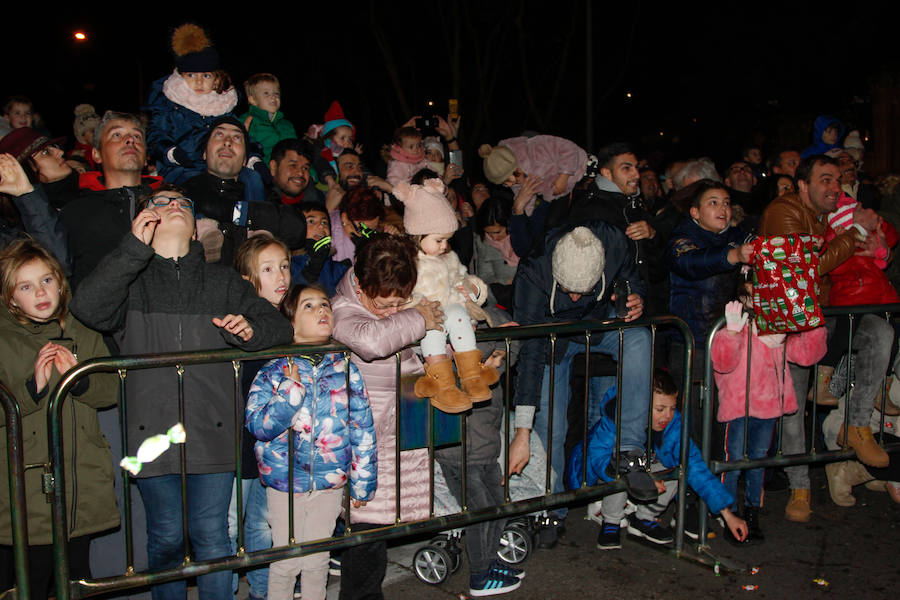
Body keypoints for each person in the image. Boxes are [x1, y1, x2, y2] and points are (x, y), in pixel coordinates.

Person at [70, 185, 293, 600]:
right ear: (143, 221)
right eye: (161, 202)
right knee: (166, 538)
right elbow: (89, 306)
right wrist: (132, 249)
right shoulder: (129, 281)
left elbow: (278, 327)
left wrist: (250, 332)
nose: (174, 206)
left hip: (213, 429)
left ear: (194, 228)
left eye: (183, 204)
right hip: (148, 432)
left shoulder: (223, 282)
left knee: (211, 537)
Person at [758, 154, 889, 521]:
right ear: (803, 185)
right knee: (794, 404)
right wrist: (858, 232)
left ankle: (857, 425)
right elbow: (809, 266)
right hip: (788, 320)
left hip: (822, 315)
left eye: (838, 180)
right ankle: (799, 485)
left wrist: (876, 244)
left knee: (880, 328)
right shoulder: (784, 210)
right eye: (825, 180)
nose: (835, 187)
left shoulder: (827, 214)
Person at [509, 221, 655, 547]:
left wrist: (636, 296)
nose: (575, 296)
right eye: (568, 289)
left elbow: (634, 276)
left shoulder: (614, 245)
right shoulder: (533, 274)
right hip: (549, 341)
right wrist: (521, 430)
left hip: (597, 325)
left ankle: (630, 452)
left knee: (639, 339)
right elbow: (529, 354)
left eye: (583, 289)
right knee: (551, 426)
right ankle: (551, 505)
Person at [0, 239, 117, 598]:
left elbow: (109, 391)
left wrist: (78, 379)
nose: (40, 292)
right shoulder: (4, 339)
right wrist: (30, 389)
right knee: (25, 583)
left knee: (74, 582)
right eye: (26, 286)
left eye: (47, 280)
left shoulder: (82, 329)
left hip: (78, 487)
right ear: (10, 298)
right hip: (23, 492)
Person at [330, 234, 444, 600]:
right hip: (363, 439)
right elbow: (373, 342)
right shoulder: (341, 308)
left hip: (396, 429)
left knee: (378, 528)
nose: (394, 310)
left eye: (401, 302)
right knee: (365, 532)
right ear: (361, 287)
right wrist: (416, 317)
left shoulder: (396, 310)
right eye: (385, 303)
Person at [246, 284, 376, 600]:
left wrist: (363, 482)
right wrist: (290, 394)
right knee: (287, 561)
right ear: (290, 323)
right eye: (308, 306)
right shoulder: (275, 369)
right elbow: (257, 424)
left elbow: (362, 427)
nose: (321, 310)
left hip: (329, 482)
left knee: (318, 559)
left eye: (324, 305)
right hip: (284, 482)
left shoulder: (346, 368)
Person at [567, 370, 749, 549]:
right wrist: (641, 478)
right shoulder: (619, 415)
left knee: (677, 468)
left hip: (646, 467)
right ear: (643, 404)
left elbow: (695, 465)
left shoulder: (674, 424)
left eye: (672, 408)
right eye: (660, 409)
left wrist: (727, 513)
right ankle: (611, 521)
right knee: (622, 465)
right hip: (602, 469)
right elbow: (599, 458)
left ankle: (643, 519)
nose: (666, 416)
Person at [712, 287, 827, 543]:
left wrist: (811, 321)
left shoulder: (779, 332)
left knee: (757, 463)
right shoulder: (737, 327)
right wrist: (731, 333)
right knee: (732, 464)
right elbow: (722, 362)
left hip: (768, 408)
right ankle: (728, 514)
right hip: (739, 408)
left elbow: (807, 355)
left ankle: (753, 513)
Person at [395, 179, 494, 414]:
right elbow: (400, 296)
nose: (444, 246)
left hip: (452, 316)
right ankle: (443, 384)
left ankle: (471, 376)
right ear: (417, 235)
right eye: (438, 240)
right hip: (426, 323)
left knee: (458, 313)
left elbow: (462, 277)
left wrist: (471, 290)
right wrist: (418, 304)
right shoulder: (406, 262)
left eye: (447, 240)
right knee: (433, 324)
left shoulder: (448, 258)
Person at [231, 234, 294, 599]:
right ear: (246, 278)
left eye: (284, 266)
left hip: (272, 445)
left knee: (263, 523)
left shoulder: (287, 318)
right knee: (227, 524)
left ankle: (263, 592)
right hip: (238, 442)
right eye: (267, 269)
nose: (280, 276)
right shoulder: (240, 322)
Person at [58, 111, 164, 288]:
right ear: (96, 154)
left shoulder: (169, 205)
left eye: (137, 136)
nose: (130, 140)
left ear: (146, 157)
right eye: (117, 135)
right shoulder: (74, 213)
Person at [181, 116, 306, 264]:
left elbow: (296, 228)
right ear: (204, 153)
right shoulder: (183, 192)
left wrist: (236, 212)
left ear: (245, 160)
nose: (227, 142)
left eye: (237, 137)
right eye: (219, 135)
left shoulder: (261, 194)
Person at [145, 23, 242, 185]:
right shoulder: (169, 105)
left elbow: (242, 136)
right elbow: (155, 134)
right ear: (181, 76)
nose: (198, 82)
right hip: (179, 170)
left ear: (216, 78)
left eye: (206, 76)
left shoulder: (224, 106)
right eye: (191, 75)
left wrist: (254, 157)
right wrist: (171, 152)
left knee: (252, 180)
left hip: (219, 167)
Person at [289, 201, 348, 296]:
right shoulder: (289, 263)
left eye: (325, 222)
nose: (321, 226)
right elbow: (295, 297)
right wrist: (312, 269)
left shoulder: (333, 267)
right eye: (311, 221)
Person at [240, 73, 297, 163]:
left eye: (276, 93)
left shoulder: (286, 125)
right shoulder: (248, 121)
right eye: (266, 93)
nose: (273, 96)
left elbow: (298, 152)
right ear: (253, 100)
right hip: (262, 171)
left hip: (288, 170)